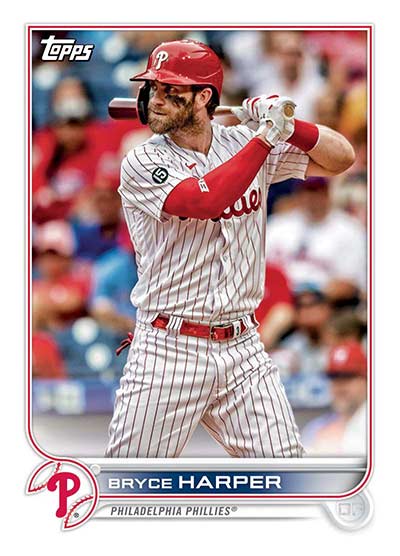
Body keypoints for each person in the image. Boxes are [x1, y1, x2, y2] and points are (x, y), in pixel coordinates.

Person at [105, 39, 355, 459]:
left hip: (243, 346)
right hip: (169, 347)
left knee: (286, 474)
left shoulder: (242, 142)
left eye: (170, 90)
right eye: (152, 88)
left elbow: (341, 158)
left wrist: (291, 125)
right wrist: (265, 137)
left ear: (204, 97)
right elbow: (207, 200)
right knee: (132, 480)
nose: (155, 99)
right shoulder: (142, 160)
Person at [266, 176, 366, 305]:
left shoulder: (350, 229)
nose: (312, 198)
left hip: (328, 305)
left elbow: (348, 285)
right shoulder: (278, 224)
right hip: (279, 301)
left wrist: (308, 301)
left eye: (317, 191)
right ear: (298, 194)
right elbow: (263, 272)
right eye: (306, 191)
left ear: (328, 194)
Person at [301, 341, 367, 456]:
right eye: (334, 377)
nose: (339, 386)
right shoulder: (316, 427)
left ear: (366, 380)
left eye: (347, 377)